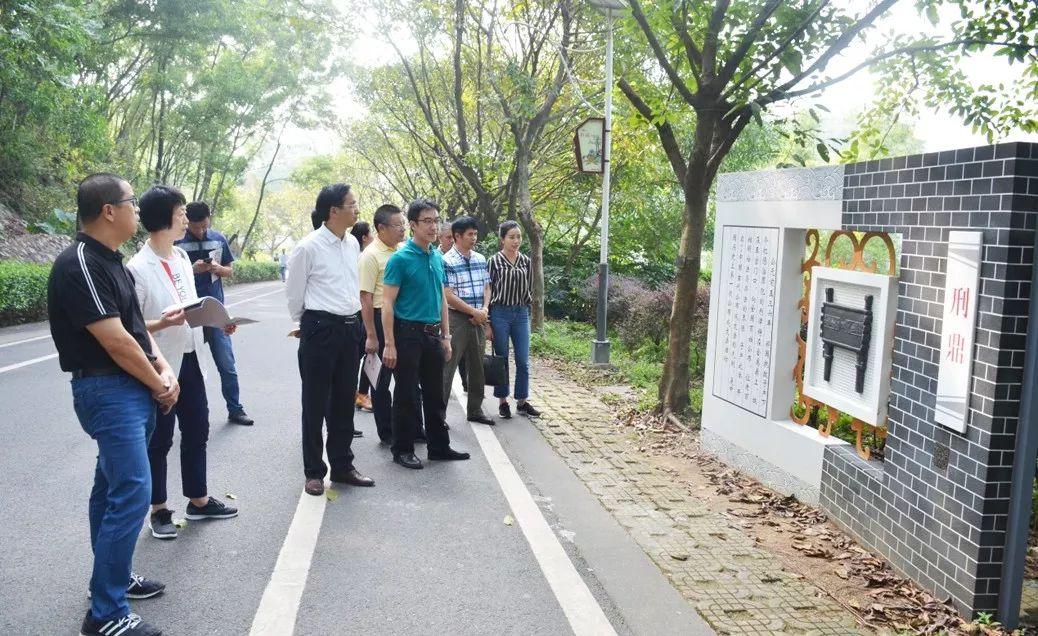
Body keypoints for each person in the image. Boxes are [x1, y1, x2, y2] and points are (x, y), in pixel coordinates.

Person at [48, 173, 171, 636]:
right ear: (108, 210)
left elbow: (137, 330)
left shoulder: (113, 262)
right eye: (131, 203)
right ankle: (106, 613)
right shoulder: (79, 261)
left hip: (130, 388)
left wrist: (164, 370)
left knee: (111, 488)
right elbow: (115, 341)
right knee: (132, 493)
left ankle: (112, 579)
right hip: (107, 390)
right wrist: (158, 384)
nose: (137, 212)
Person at [128, 185, 239, 542]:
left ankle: (198, 499)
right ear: (163, 219)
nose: (185, 220)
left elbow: (191, 307)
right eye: (179, 214)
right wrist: (164, 323)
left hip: (190, 355)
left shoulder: (179, 260)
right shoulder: (137, 269)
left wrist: (217, 319)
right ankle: (158, 509)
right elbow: (129, 326)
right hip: (159, 365)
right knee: (159, 439)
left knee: (197, 428)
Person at [286, 183, 375, 496]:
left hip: (350, 330)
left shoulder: (352, 244)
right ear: (333, 210)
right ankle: (314, 471)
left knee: (343, 403)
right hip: (320, 329)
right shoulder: (308, 247)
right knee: (314, 402)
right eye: (352, 204)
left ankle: (342, 465)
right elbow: (294, 294)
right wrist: (308, 325)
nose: (357, 209)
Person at [382, 199, 470, 469]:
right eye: (427, 221)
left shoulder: (435, 256)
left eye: (436, 220)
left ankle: (439, 447)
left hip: (433, 335)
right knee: (407, 395)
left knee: (435, 394)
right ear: (412, 225)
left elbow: (441, 299)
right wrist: (389, 343)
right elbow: (387, 303)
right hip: (407, 333)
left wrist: (446, 336)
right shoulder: (399, 259)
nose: (434, 226)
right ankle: (402, 449)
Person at [176, 202, 254, 426]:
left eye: (204, 226)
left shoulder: (218, 238)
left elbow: (229, 270)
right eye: (196, 227)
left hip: (216, 312)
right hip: (189, 314)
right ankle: (185, 414)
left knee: (227, 364)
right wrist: (193, 269)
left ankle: (235, 409)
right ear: (187, 221)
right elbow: (174, 276)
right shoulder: (177, 243)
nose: (201, 231)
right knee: (188, 368)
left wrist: (218, 269)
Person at [441, 216, 494, 426]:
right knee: (448, 366)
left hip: (478, 318)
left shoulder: (481, 258)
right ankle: (439, 415)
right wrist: (474, 312)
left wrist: (484, 309)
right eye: (469, 234)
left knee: (477, 366)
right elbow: (448, 294)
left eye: (475, 234)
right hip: (457, 319)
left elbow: (487, 287)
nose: (474, 238)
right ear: (457, 236)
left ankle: (475, 409)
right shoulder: (446, 261)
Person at [488, 221, 540, 419]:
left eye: (518, 237)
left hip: (520, 313)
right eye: (511, 237)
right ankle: (502, 401)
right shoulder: (494, 261)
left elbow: (530, 287)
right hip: (500, 313)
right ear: (502, 239)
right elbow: (489, 290)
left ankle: (522, 401)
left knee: (523, 360)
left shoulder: (526, 261)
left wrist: (526, 310)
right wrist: (488, 322)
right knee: (501, 360)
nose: (516, 241)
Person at [351, 221, 374, 412]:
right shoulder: (361, 258)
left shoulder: (360, 255)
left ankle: (360, 394)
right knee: (364, 355)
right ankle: (360, 395)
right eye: (371, 233)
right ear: (364, 237)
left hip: (359, 313)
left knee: (364, 356)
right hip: (360, 313)